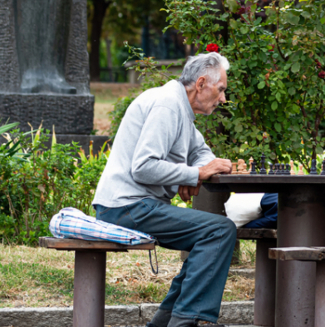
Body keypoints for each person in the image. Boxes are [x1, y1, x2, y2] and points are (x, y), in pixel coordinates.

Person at [92, 53, 236, 327]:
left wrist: (196, 171)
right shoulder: (168, 105)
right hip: (125, 206)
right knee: (219, 231)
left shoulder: (181, 109)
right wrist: (194, 173)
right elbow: (143, 167)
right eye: (221, 90)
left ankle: (168, 323)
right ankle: (188, 322)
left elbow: (201, 152)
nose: (223, 99)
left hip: (137, 205)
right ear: (202, 83)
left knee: (210, 236)